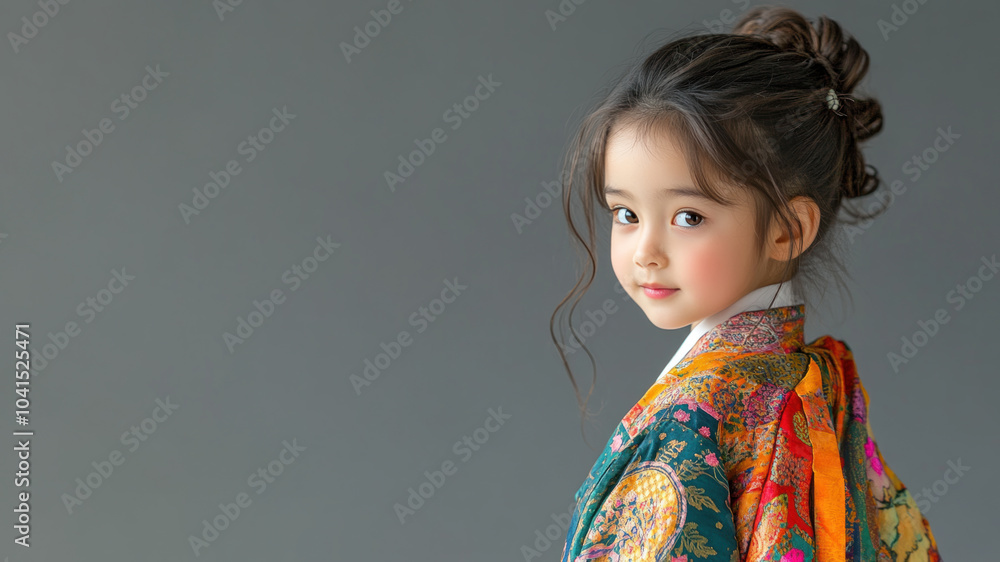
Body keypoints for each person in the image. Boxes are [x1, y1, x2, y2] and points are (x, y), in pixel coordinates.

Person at [550, 5, 942, 561]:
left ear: (787, 229)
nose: (646, 253)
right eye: (625, 213)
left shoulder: (694, 420)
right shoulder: (820, 385)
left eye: (689, 217)